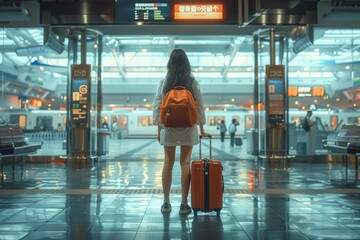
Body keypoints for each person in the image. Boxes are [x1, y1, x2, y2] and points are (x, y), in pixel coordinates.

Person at [152, 49, 211, 215]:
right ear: (186, 63)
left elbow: (157, 106)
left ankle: (166, 202)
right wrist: (202, 129)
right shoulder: (192, 81)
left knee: (167, 163)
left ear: (170, 63)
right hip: (188, 127)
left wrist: (159, 129)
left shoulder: (164, 81)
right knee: (185, 163)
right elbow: (199, 106)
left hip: (168, 127)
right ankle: (184, 204)